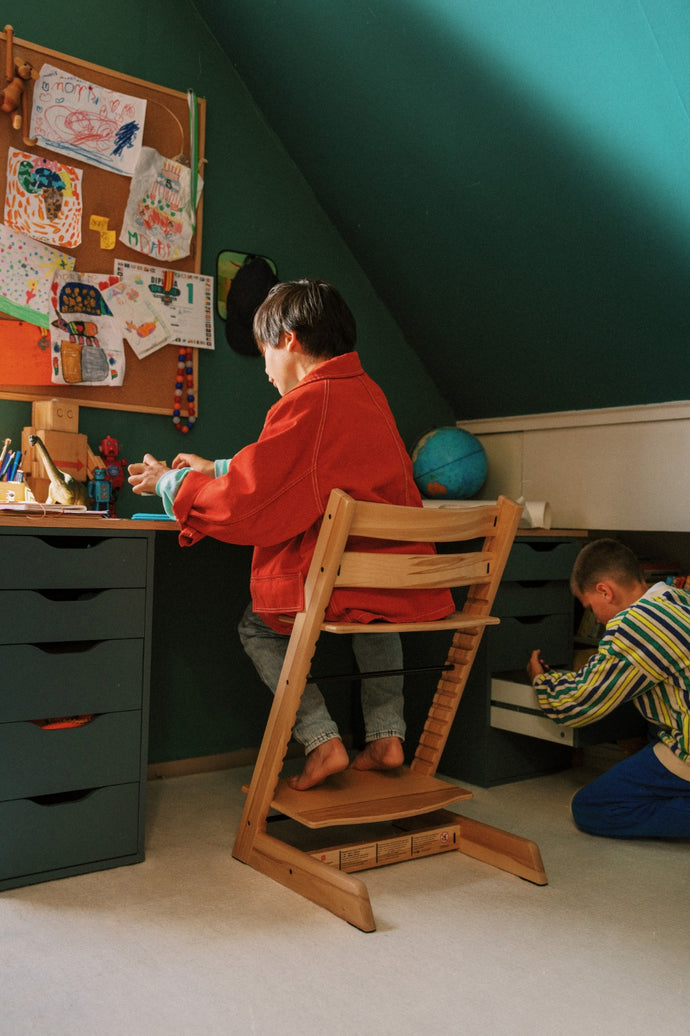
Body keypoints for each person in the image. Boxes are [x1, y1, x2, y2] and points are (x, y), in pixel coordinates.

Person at [129, 279, 454, 790]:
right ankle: (388, 735)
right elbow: (306, 469)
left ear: (290, 340)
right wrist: (216, 467)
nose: (264, 370)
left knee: (256, 626)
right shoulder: (368, 394)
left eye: (264, 353)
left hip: (335, 578)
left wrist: (173, 483)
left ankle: (322, 739)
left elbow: (252, 499)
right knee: (374, 614)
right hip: (389, 579)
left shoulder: (309, 401)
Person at [527, 538, 690, 839]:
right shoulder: (677, 599)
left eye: (590, 607)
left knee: (592, 807)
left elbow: (580, 701)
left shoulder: (636, 624)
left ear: (605, 590)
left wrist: (542, 680)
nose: (597, 619)